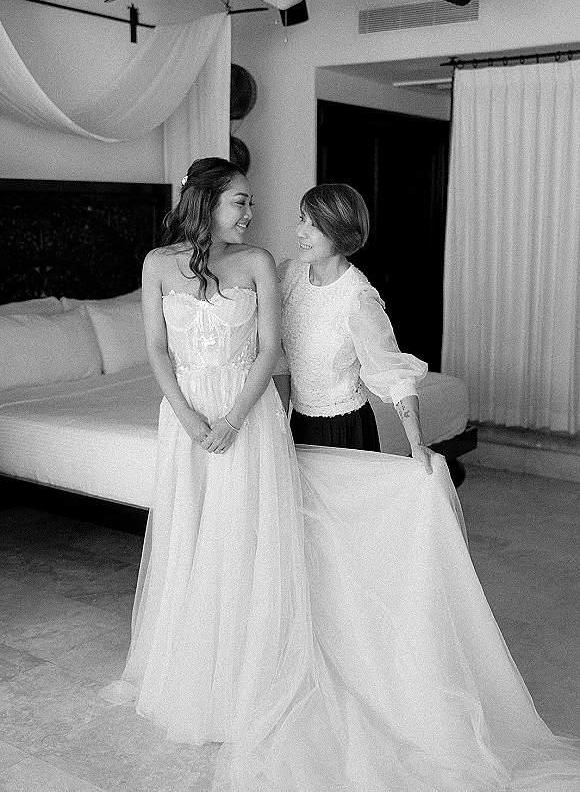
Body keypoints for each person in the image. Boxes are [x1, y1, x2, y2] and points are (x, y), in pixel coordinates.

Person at [101, 157, 580, 792]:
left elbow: (328, 358)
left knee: (308, 543)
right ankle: (208, 662)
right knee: (235, 540)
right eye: (243, 202)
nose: (267, 218)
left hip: (302, 421)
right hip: (231, 418)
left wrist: (416, 449)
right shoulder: (269, 272)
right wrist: (196, 418)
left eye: (300, 218)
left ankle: (318, 654)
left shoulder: (314, 281)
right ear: (207, 203)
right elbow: (178, 348)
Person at [274, 183, 433, 472]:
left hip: (344, 428)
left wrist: (416, 443)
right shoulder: (289, 275)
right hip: (297, 422)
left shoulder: (358, 299)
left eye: (314, 225)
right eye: (301, 219)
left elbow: (394, 374)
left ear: (339, 232)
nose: (300, 232)